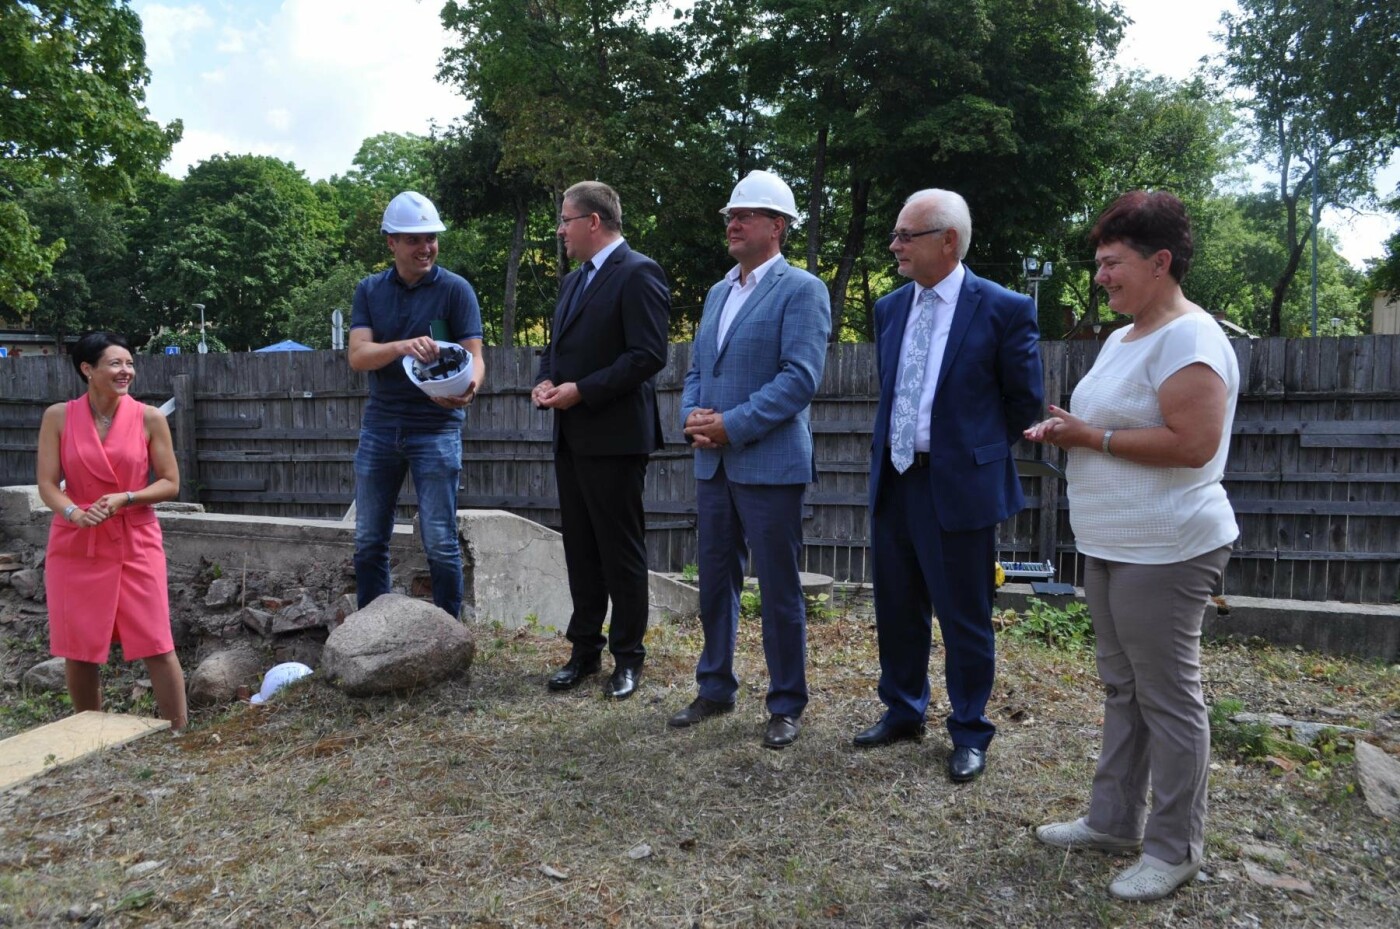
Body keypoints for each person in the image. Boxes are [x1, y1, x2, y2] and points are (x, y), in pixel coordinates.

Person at [1024, 190, 1239, 902]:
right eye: (1099, 262)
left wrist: (1093, 437)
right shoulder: (1123, 338)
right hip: (1111, 542)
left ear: (1161, 261)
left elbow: (1195, 443)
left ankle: (1174, 847)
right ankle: (1113, 820)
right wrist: (1069, 428)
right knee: (1124, 687)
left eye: (1113, 263)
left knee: (1169, 697)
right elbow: (1109, 423)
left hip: (1169, 545)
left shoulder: (1192, 338)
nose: (1100, 276)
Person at [859, 189, 1044, 783]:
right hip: (896, 478)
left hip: (959, 485)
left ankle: (969, 729)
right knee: (895, 605)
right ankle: (903, 709)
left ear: (948, 241)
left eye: (905, 236)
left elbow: (1024, 402)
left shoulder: (1004, 308)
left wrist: (975, 457)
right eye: (894, 235)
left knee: (964, 615)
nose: (894, 246)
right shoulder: (890, 309)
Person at [668, 170, 831, 749]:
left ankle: (787, 702)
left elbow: (799, 379)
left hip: (770, 465)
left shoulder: (802, 290)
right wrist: (692, 417)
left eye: (746, 215)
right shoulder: (718, 292)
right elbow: (697, 370)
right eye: (730, 216)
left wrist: (730, 426)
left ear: (778, 226)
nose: (732, 223)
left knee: (780, 590)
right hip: (712, 465)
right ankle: (715, 687)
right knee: (715, 582)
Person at [533, 181, 670, 700]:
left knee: (620, 553)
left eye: (566, 220)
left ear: (593, 222)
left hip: (615, 439)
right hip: (570, 436)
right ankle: (583, 651)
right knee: (581, 550)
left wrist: (581, 392)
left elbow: (648, 354)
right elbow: (556, 348)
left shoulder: (638, 272)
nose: (560, 231)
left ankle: (628, 658)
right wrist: (546, 380)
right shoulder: (572, 282)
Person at [36, 331, 187, 731]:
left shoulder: (149, 417)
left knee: (156, 641)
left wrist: (128, 497)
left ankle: (179, 732)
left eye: (130, 364)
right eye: (116, 364)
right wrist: (72, 511)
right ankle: (90, 732)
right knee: (79, 647)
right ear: (88, 369)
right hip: (76, 540)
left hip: (135, 537)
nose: (126, 371)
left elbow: (170, 483)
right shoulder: (58, 416)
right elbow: (48, 484)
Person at [348, 190, 485, 620]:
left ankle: (449, 635)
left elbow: (475, 356)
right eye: (414, 239)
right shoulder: (369, 291)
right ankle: (372, 632)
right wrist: (402, 346)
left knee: (441, 541)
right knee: (370, 538)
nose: (425, 247)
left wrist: (471, 387)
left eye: (431, 238)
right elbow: (357, 356)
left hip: (437, 427)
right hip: (381, 426)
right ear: (391, 242)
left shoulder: (455, 290)